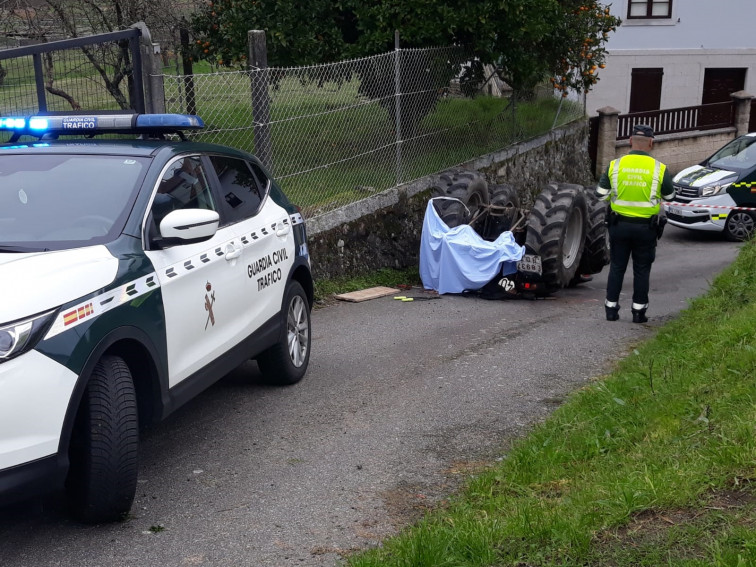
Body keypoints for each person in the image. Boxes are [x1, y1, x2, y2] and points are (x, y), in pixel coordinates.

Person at [596, 124, 675, 323]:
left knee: (617, 267)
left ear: (630, 142)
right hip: (645, 228)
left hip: (619, 226)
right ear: (651, 143)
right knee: (642, 269)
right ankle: (638, 313)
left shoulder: (615, 165)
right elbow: (670, 195)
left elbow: (600, 195)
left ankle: (611, 310)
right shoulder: (659, 168)